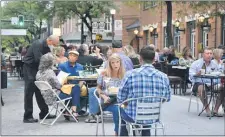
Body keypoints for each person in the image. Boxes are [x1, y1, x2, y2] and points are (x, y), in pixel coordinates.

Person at [117, 46, 171, 136]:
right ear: (154, 59)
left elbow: (120, 98)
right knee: (145, 115)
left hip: (132, 116)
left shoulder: (130, 74)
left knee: (120, 108)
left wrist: (126, 103)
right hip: (153, 116)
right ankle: (145, 133)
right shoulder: (163, 76)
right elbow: (167, 98)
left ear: (140, 59)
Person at [85, 53, 125, 135]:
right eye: (113, 63)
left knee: (123, 109)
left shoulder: (124, 74)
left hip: (120, 100)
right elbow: (98, 88)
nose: (115, 65)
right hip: (107, 100)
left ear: (120, 63)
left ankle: (121, 131)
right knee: (117, 110)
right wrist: (104, 96)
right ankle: (118, 133)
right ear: (109, 64)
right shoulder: (104, 73)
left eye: (117, 62)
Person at [23, 35, 59, 123]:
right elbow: (39, 59)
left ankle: (44, 113)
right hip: (30, 68)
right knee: (29, 91)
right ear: (50, 41)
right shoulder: (38, 44)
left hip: (38, 68)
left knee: (40, 90)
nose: (54, 46)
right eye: (54, 44)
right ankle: (27, 116)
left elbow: (48, 58)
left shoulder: (47, 47)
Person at [36, 53, 81, 120]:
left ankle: (69, 110)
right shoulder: (50, 72)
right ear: (50, 62)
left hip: (45, 96)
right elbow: (59, 86)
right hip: (54, 96)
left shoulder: (38, 73)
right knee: (76, 88)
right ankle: (73, 111)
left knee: (73, 89)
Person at [189, 47, 224, 117]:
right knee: (201, 88)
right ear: (203, 55)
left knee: (223, 87)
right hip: (199, 82)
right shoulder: (196, 63)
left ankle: (215, 110)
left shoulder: (214, 64)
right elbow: (191, 76)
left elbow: (219, 73)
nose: (209, 55)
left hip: (212, 83)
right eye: (207, 53)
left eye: (211, 53)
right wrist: (197, 74)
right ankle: (207, 109)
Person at [58, 50, 87, 116]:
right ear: (68, 56)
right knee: (74, 90)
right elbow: (60, 78)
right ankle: (75, 110)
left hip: (78, 84)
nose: (72, 57)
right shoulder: (62, 66)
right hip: (66, 85)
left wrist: (80, 84)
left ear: (77, 58)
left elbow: (82, 78)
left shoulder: (80, 66)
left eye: (74, 56)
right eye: (70, 55)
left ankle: (74, 109)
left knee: (84, 90)